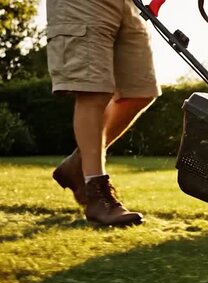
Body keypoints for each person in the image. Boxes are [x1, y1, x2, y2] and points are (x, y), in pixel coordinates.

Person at [46, 0, 161, 226]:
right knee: (92, 91)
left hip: (128, 3)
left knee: (139, 91)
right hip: (82, 5)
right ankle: (97, 194)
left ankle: (78, 164)